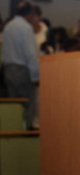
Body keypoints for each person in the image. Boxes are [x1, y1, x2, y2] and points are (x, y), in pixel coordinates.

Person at [2, 1, 39, 129]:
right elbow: (30, 54)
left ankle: (14, 128)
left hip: (8, 69)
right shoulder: (26, 28)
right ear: (29, 14)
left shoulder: (8, 26)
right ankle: (27, 129)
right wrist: (36, 76)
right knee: (29, 102)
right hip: (22, 70)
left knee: (15, 105)